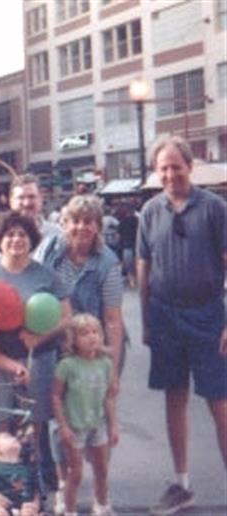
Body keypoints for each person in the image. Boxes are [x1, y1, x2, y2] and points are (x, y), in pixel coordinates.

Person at [136, 135, 227, 515]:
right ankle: (182, 484)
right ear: (156, 173)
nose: (171, 174)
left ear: (191, 166)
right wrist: (145, 319)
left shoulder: (215, 209)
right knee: (175, 398)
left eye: (177, 166)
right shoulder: (150, 211)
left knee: (219, 403)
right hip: (164, 315)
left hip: (207, 314)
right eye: (164, 168)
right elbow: (143, 267)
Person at [41, 194, 125, 514]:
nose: (81, 227)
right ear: (65, 224)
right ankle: (65, 486)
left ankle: (101, 496)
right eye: (75, 220)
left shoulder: (108, 262)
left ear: (98, 226)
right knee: (60, 418)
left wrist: (112, 368)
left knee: (97, 411)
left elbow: (114, 320)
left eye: (89, 221)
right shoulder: (51, 253)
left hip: (95, 347)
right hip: (57, 347)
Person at [0, 212, 72, 459]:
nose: (16, 239)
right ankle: (4, 475)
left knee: (34, 422)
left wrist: (40, 338)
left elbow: (67, 316)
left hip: (37, 358)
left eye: (22, 235)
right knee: (1, 421)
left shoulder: (46, 275)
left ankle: (33, 477)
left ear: (32, 240)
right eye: (10, 234)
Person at [51, 314, 119, 516]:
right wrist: (63, 426)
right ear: (73, 340)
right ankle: (70, 510)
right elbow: (55, 397)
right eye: (84, 333)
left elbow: (109, 397)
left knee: (102, 469)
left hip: (97, 425)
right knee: (76, 474)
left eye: (95, 332)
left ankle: (101, 505)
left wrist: (113, 425)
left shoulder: (105, 364)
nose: (92, 337)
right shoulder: (67, 366)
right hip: (74, 427)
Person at [0, 173, 61, 270]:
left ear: (40, 199)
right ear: (11, 201)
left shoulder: (56, 234)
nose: (26, 203)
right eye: (21, 198)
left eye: (31, 197)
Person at [0, 431, 40, 516]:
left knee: (29, 511)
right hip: (5, 507)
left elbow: (36, 492)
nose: (14, 438)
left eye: (13, 437)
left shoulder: (27, 469)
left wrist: (35, 505)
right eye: (7, 437)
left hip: (25, 507)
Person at [117, 204, 138, 288]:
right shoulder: (138, 221)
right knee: (137, 263)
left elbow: (118, 236)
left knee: (128, 265)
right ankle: (136, 280)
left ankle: (131, 281)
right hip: (137, 245)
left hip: (126, 245)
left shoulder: (122, 221)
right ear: (133, 212)